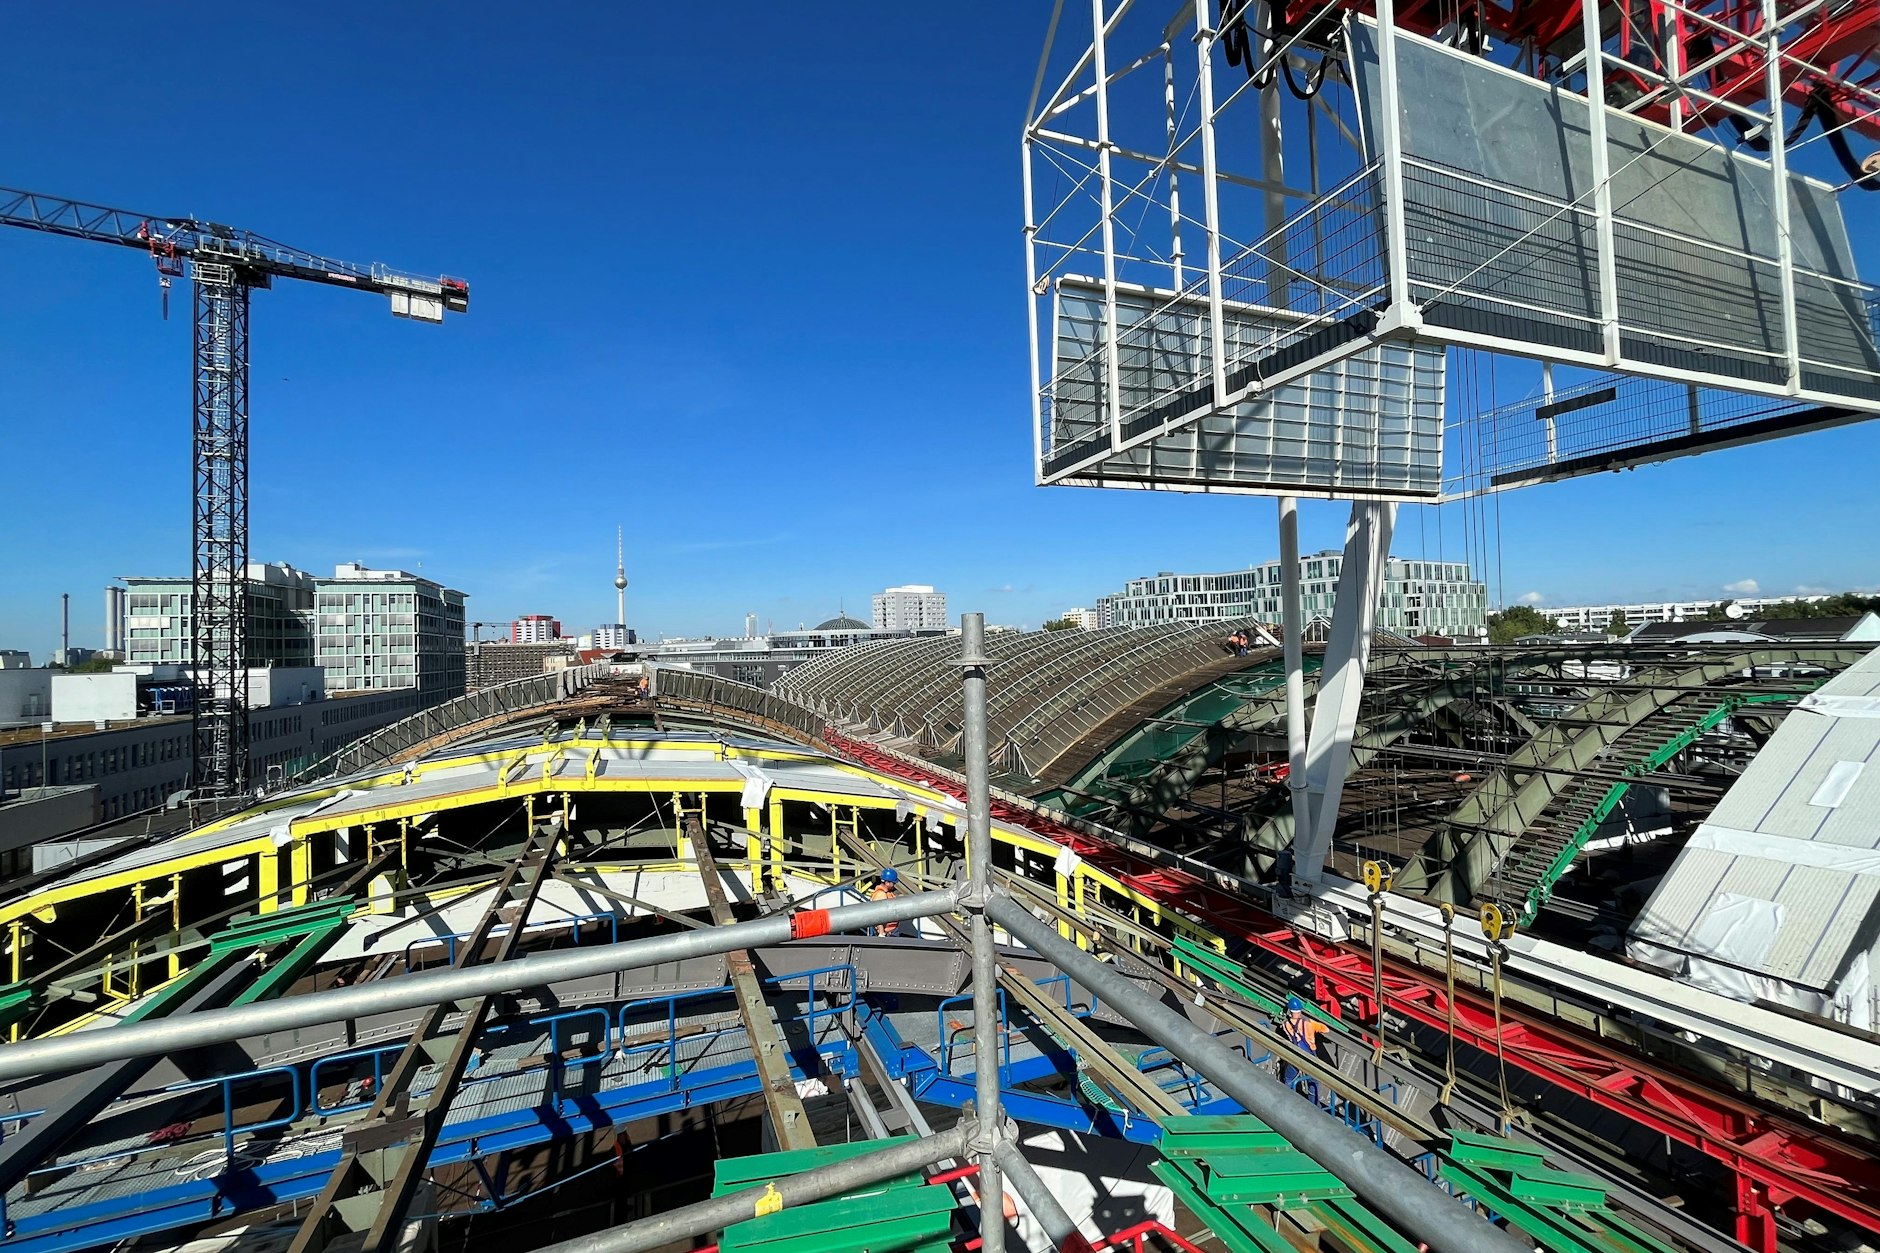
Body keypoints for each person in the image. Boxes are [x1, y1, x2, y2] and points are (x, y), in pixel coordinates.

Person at [1278, 995, 1330, 1103]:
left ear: (1290, 1011)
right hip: (1309, 1056)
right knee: (1313, 1082)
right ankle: (1313, 1105)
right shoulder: (1309, 1023)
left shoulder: (1286, 1025)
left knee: (1288, 1079)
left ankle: (1288, 1100)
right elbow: (1326, 1030)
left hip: (1295, 1055)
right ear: (1300, 1010)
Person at [871, 867, 912, 937]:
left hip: (892, 931)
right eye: (893, 883)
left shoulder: (887, 893)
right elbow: (878, 915)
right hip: (888, 933)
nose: (894, 885)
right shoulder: (881, 895)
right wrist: (881, 933)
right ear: (887, 883)